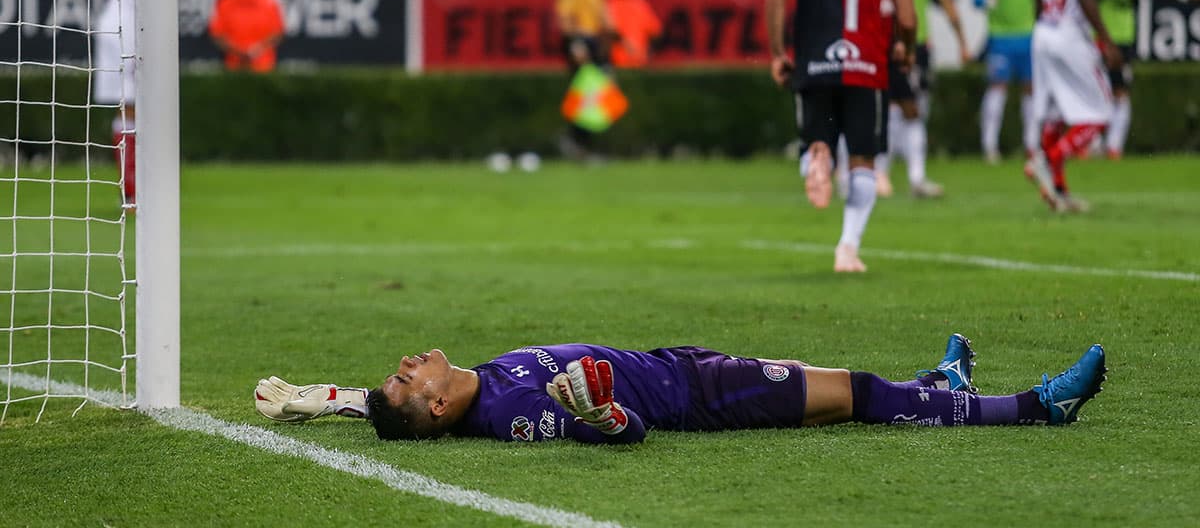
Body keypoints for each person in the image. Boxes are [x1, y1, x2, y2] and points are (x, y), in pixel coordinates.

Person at [253, 334, 1108, 444]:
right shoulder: (513, 414)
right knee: (852, 388)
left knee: (848, 383)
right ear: (438, 406)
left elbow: (380, 406)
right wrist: (607, 416)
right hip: (697, 396)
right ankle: (1035, 407)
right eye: (408, 381)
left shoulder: (474, 385)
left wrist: (322, 400)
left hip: (676, 360)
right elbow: (613, 433)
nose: (408, 363)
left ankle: (941, 382)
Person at [764, 0, 916, 273]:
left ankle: (818, 155)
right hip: (867, 67)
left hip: (815, 64)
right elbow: (906, 16)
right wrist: (906, 49)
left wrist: (779, 54)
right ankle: (847, 249)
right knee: (864, 160)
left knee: (816, 138)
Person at [92, 0, 224, 208]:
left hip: (127, 27)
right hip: (125, 30)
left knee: (133, 110)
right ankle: (134, 192)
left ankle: (135, 189)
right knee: (132, 110)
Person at [1026, 0, 1122, 213]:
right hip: (1069, 32)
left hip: (1043, 30)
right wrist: (1106, 40)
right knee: (1102, 112)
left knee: (1055, 113)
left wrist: (1042, 27)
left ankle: (1060, 192)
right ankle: (1046, 159)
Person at [875, 0, 969, 199]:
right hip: (885, 43)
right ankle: (884, 173)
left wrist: (961, 40)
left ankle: (911, 176)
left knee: (913, 110)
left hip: (917, 44)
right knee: (893, 108)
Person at [973, 0, 1039, 163]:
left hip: (1028, 37)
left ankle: (1032, 145)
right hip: (1000, 38)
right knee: (997, 89)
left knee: (1031, 90)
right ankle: (989, 145)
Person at [554, 0, 614, 158]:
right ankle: (575, 143)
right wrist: (575, 44)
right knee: (587, 96)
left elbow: (602, 17)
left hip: (592, 42)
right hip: (580, 41)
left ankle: (581, 144)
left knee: (596, 96)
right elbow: (566, 15)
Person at [1093, 0, 1141, 159]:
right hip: (1099, 39)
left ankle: (1114, 145)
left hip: (1123, 38)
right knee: (1096, 91)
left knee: (1120, 91)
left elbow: (1135, 2)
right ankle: (1092, 143)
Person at [208, 0, 287, 72]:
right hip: (263, 66)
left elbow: (217, 36)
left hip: (234, 65)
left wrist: (239, 52)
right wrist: (257, 50)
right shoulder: (270, 2)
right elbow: (278, 34)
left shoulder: (226, 2)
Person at [606, 0, 662, 68]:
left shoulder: (609, 3)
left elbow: (608, 30)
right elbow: (657, 32)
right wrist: (648, 53)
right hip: (639, 61)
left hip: (615, 62)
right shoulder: (639, 3)